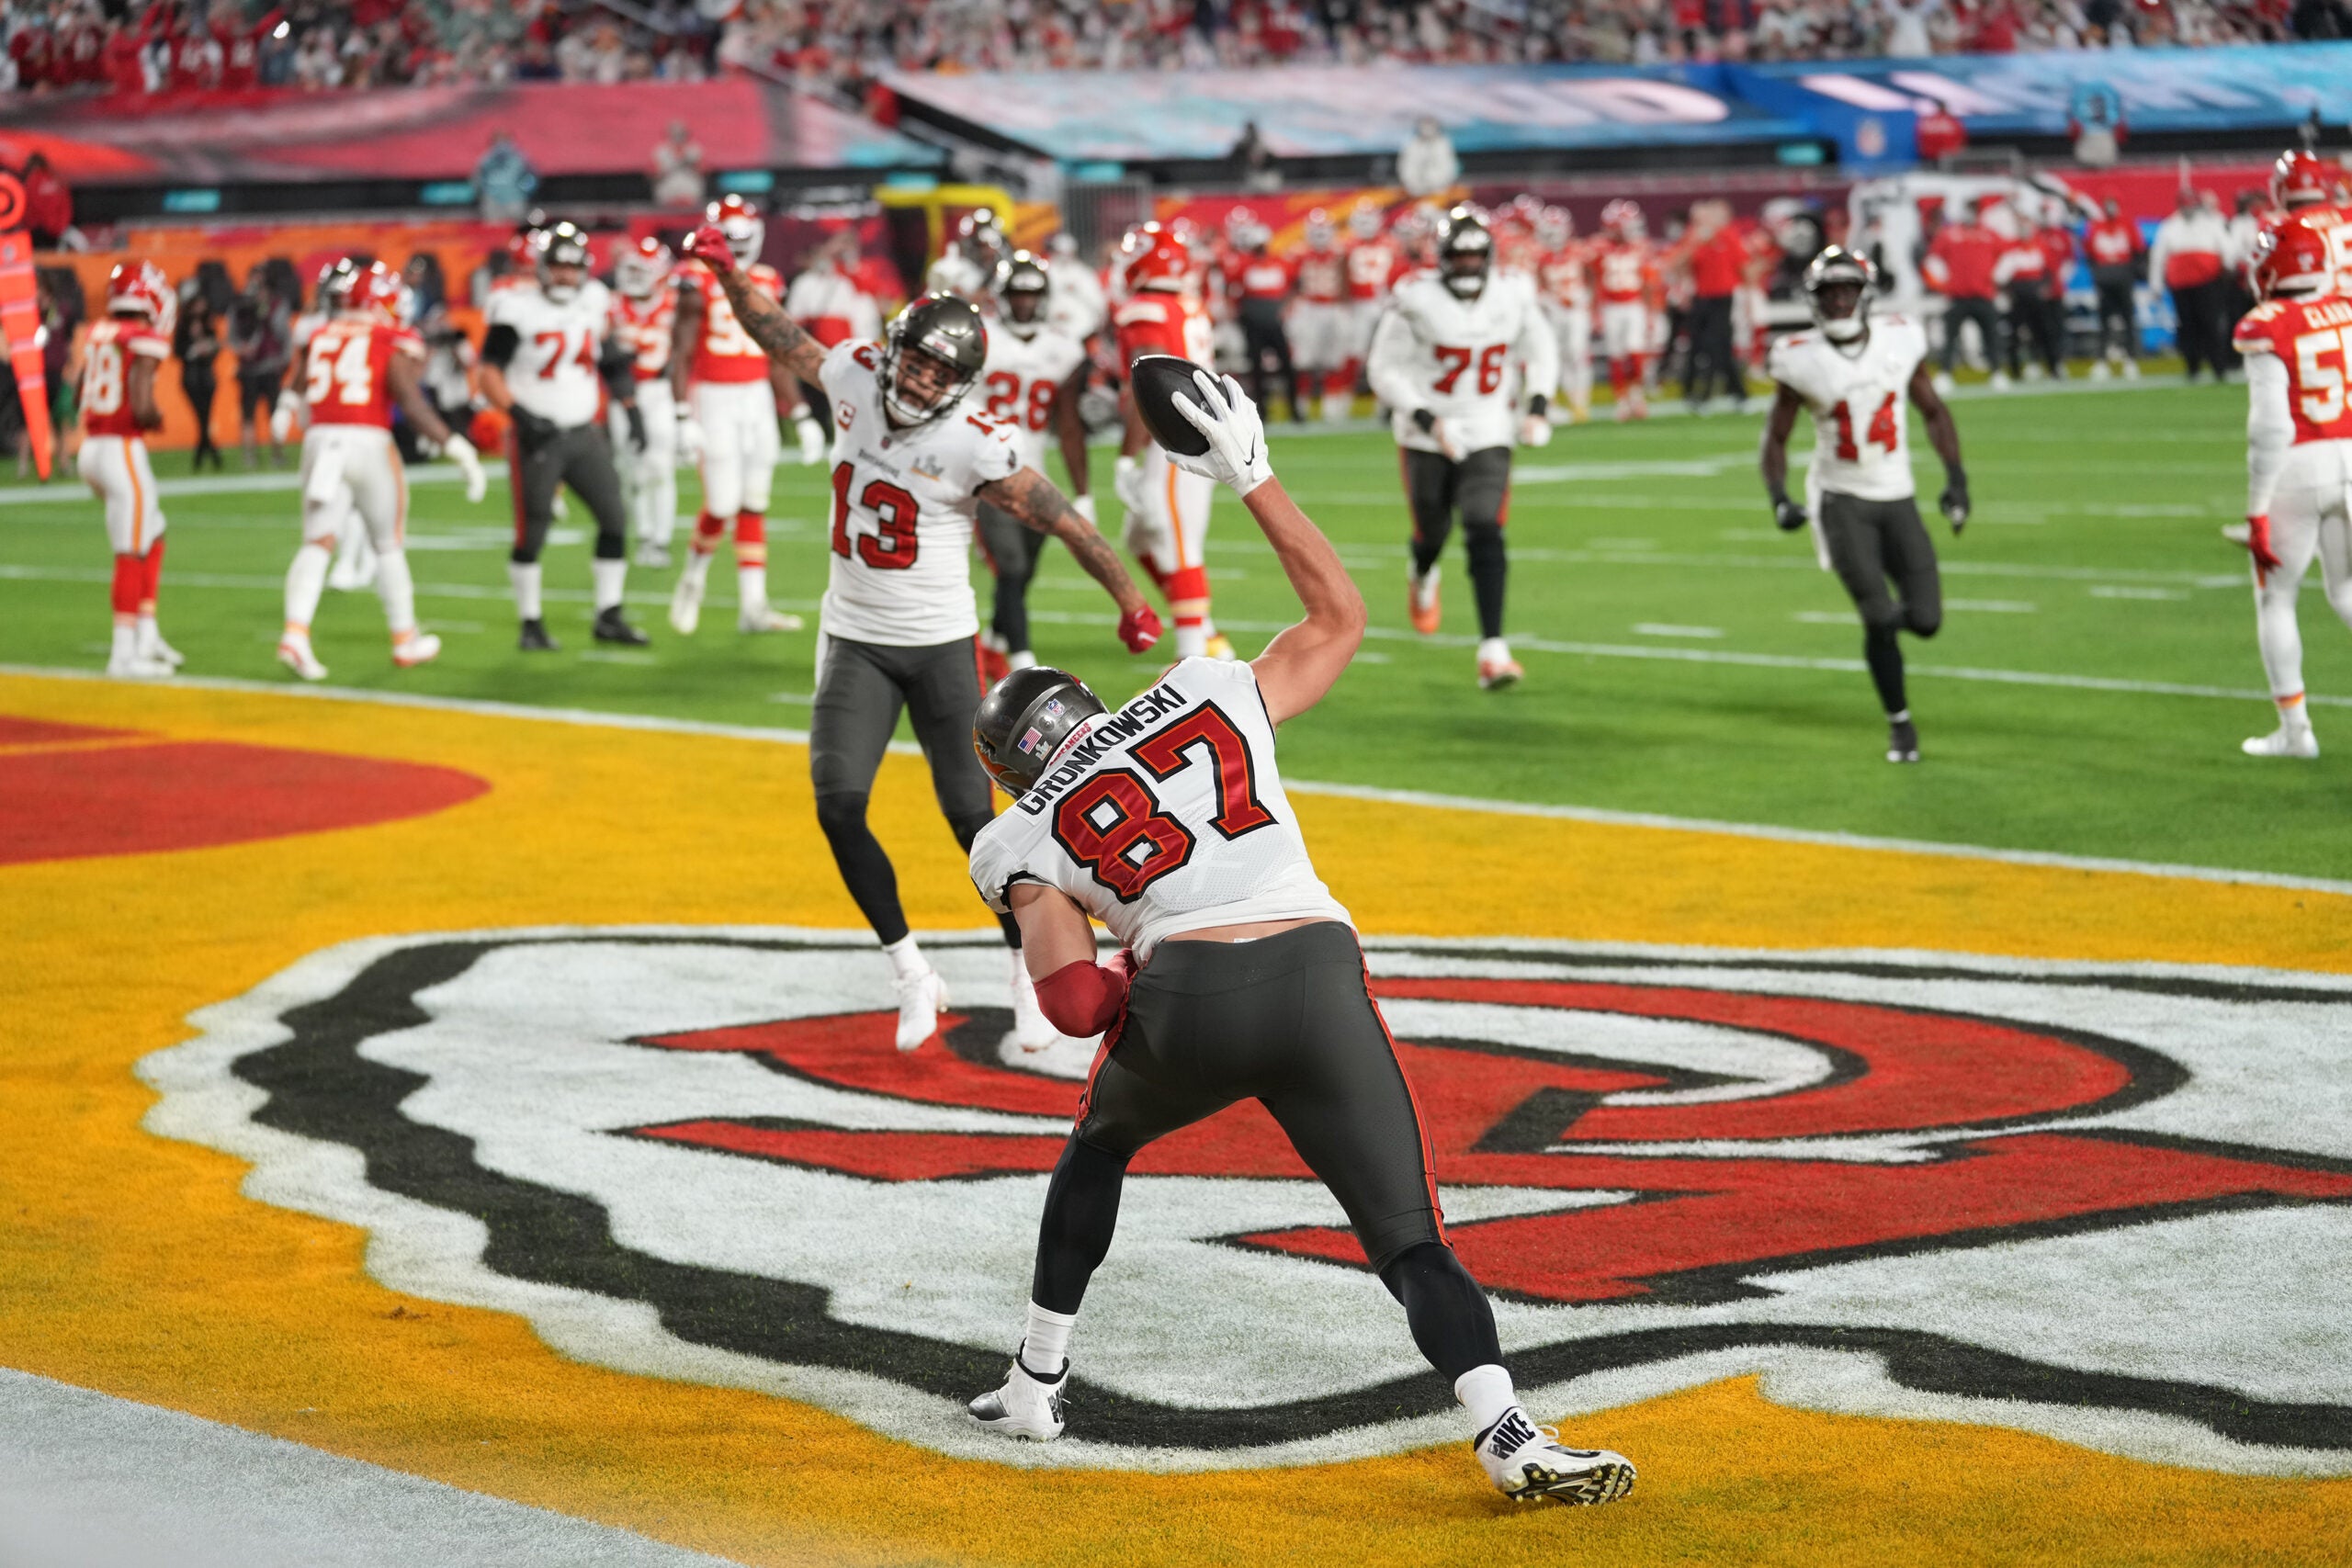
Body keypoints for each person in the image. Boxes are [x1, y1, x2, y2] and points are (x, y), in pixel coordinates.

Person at [962, 368, 1637, 1509]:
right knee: (1408, 1236)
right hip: (1318, 973)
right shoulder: (1204, 686)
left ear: (1011, 766)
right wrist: (1257, 481)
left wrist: (1138, 971)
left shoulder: (1017, 827)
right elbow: (1341, 618)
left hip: (1184, 1000)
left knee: (1097, 1150)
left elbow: (1073, 1007)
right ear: (1089, 701)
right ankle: (1505, 1428)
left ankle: (1035, 1381)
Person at [675, 224, 1162, 1052]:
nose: (919, 375)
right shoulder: (858, 372)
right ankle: (911, 970)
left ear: (963, 382)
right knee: (838, 806)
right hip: (855, 636)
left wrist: (1129, 599)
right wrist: (726, 275)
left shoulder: (974, 440)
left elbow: (1067, 522)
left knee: (977, 826)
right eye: (915, 357)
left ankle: (1021, 970)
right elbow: (781, 334)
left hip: (939, 642)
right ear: (894, 347)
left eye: (941, 370)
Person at [1760, 248, 1970, 764]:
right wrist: (1779, 498)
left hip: (1897, 495)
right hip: (1841, 500)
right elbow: (1776, 438)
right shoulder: (1797, 357)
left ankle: (1885, 638)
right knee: (1878, 616)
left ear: (1864, 294)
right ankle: (1900, 725)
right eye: (1828, 293)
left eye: (1846, 290)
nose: (1837, 301)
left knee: (1925, 620)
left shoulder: (1900, 338)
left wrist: (1957, 480)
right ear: (1813, 300)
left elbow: (1934, 411)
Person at [1367, 206, 1556, 691]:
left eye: (1476, 256)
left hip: (1490, 425)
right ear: (1443, 257)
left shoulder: (1514, 292)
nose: (1469, 265)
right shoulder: (1414, 297)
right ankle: (1423, 569)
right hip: (1425, 431)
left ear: (1488, 256)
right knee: (1432, 529)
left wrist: (1536, 405)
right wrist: (1428, 418)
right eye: (1460, 256)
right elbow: (1383, 370)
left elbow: (1541, 350)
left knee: (1483, 524)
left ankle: (1493, 648)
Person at [276, 263, 487, 682]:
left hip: (321, 442)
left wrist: (284, 410)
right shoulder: (388, 338)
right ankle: (405, 638)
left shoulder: (321, 334)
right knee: (387, 544)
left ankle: (296, 632)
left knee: (317, 542)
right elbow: (409, 400)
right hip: (368, 442)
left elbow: (297, 381)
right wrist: (455, 445)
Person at [480, 220, 650, 651]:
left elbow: (610, 358)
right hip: (538, 435)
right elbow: (488, 373)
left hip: (584, 433)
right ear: (540, 268)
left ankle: (609, 615)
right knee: (533, 531)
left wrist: (631, 409)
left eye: (572, 269)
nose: (564, 276)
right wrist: (518, 414)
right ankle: (530, 622)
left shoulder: (594, 302)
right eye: (556, 267)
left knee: (614, 519)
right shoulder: (516, 307)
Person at [2229, 217, 2352, 759]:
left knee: (2275, 599)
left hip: (2300, 468)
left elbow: (2271, 428)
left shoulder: (2268, 323)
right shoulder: (2347, 305)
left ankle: (2296, 732)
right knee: (2347, 592)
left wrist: (2256, 509)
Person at [670, 195, 806, 636]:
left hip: (755, 397)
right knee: (723, 503)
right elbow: (682, 348)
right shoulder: (695, 278)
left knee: (754, 501)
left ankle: (754, 606)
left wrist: (800, 411)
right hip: (714, 395)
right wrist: (680, 413)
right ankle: (692, 580)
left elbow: (777, 351)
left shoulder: (768, 278)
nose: (741, 245)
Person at [1113, 223, 1230, 661]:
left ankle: (1194, 655)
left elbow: (1150, 387)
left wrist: (1126, 456)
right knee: (1141, 538)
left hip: (1176, 438)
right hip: (1194, 432)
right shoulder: (1187, 304)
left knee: (1176, 541)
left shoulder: (1145, 309)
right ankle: (1206, 631)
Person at [975, 251, 1092, 686]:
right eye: (1017, 295)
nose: (1024, 303)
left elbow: (1069, 423)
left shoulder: (1062, 348)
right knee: (1010, 566)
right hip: (985, 472)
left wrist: (1083, 493)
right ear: (1003, 297)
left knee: (1023, 570)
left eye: (1032, 295)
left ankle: (991, 642)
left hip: (1035, 472)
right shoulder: (982, 339)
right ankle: (1023, 662)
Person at [75, 261, 180, 679]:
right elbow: (139, 401)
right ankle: (123, 654)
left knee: (152, 533)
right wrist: (155, 417)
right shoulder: (143, 338)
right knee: (131, 551)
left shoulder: (101, 331)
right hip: (121, 449)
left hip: (92, 448)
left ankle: (147, 634)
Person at [608, 237, 683, 568]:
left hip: (659, 391)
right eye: (632, 269)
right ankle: (643, 534)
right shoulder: (610, 305)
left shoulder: (674, 303)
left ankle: (660, 540)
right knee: (631, 468)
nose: (636, 276)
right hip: (624, 395)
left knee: (660, 467)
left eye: (643, 270)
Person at [2149, 188, 2230, 383]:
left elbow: (2226, 247)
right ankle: (2192, 368)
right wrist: (2156, 285)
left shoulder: (2211, 223)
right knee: (2187, 327)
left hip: (2207, 283)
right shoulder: (2169, 226)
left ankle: (2219, 367)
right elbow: (2158, 257)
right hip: (2181, 285)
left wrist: (2228, 268)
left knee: (2210, 325)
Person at [1923, 198, 2004, 390]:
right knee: (1950, 337)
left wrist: (1998, 277)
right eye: (1969, 209)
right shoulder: (1950, 234)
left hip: (1984, 295)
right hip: (1957, 296)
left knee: (1991, 336)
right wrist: (1942, 284)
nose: (1971, 214)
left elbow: (2005, 256)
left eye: (1974, 210)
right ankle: (1945, 373)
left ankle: (1997, 372)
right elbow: (1933, 260)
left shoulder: (1989, 234)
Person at [1591, 199, 1658, 421]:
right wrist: (1596, 311)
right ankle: (1621, 400)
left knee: (1635, 352)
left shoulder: (1641, 247)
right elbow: (1594, 281)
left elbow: (1648, 283)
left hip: (1633, 305)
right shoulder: (1599, 248)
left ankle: (1636, 395)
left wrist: (1649, 312)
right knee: (1616, 355)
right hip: (1611, 307)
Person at [1681, 199, 1747, 413]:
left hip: (1723, 297)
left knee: (1716, 345)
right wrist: (1695, 243)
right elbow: (1679, 264)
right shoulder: (1693, 237)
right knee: (1703, 347)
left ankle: (1709, 395)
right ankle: (1733, 393)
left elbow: (1743, 267)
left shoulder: (1727, 236)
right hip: (1701, 298)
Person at [1533, 207, 1592, 423]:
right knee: (1553, 356)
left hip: (1576, 310)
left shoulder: (1580, 251)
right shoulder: (1540, 256)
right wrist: (1550, 301)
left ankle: (1580, 403)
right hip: (1553, 311)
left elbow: (1592, 277)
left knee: (1577, 354)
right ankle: (1556, 402)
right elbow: (1537, 285)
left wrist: (1583, 297)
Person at [228, 269, 290, 468]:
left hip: (270, 366)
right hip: (248, 368)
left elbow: (284, 335)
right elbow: (231, 336)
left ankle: (277, 454)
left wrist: (283, 360)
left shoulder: (276, 305)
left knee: (275, 414)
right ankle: (249, 456)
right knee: (248, 415)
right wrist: (240, 348)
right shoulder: (239, 307)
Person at [1995, 204, 2064, 380]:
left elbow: (2049, 271)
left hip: (2037, 297)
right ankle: (2015, 371)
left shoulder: (2041, 247)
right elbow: (2000, 276)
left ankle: (2054, 367)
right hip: (2018, 297)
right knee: (2015, 336)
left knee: (2045, 333)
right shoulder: (2011, 249)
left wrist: (2046, 288)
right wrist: (2007, 293)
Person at [1342, 206, 1400, 408]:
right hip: (1358, 304)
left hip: (1385, 304)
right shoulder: (1347, 245)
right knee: (1355, 353)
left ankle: (1385, 402)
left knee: (1387, 352)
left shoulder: (1392, 244)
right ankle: (1344, 400)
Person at [2084, 197, 2144, 379]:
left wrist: (2130, 272)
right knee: (2104, 321)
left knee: (2128, 320)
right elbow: (2089, 253)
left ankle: (2131, 360)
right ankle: (2102, 361)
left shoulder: (2127, 224)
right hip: (2105, 280)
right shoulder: (2095, 226)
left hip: (2123, 278)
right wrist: (2099, 274)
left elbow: (2138, 250)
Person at [173, 286, 223, 472]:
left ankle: (202, 457)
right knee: (202, 417)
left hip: (207, 374)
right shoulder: (183, 324)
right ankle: (211, 455)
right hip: (191, 376)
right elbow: (177, 351)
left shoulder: (208, 323)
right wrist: (194, 349)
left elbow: (216, 347)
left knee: (205, 416)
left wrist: (208, 347)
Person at [475, 130, 538, 223]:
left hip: (514, 198)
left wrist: (523, 190)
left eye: (504, 141)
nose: (501, 145)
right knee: (493, 228)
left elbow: (532, 177)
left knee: (516, 227)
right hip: (492, 200)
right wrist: (485, 192)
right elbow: (477, 179)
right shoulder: (485, 159)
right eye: (498, 141)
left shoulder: (520, 158)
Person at [1397, 117, 1460, 201]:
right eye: (1424, 126)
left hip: (1440, 190)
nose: (1427, 129)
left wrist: (1436, 182)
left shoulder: (1443, 144)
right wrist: (1413, 183)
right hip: (1415, 192)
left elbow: (1449, 167)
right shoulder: (1413, 144)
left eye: (1430, 126)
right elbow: (1406, 166)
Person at [650, 119, 705, 209]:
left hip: (690, 193)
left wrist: (690, 163)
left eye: (680, 134)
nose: (678, 138)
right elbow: (654, 175)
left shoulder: (694, 150)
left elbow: (703, 171)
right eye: (675, 134)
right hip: (668, 194)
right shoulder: (661, 151)